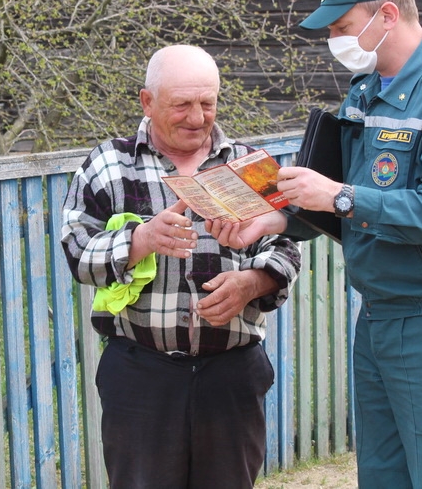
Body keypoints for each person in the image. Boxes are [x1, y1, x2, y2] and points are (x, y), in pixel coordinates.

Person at [210, 0, 422, 488]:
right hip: (380, 316)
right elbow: (347, 203)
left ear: (387, 14)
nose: (335, 40)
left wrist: (341, 195)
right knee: (383, 476)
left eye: (343, 27)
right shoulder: (367, 90)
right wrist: (276, 223)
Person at [61, 44, 302, 489]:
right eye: (182, 105)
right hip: (141, 373)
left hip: (231, 373)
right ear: (147, 102)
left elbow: (287, 247)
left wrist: (253, 282)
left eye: (207, 103)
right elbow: (77, 253)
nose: (197, 117)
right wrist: (141, 240)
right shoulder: (108, 164)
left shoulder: (247, 165)